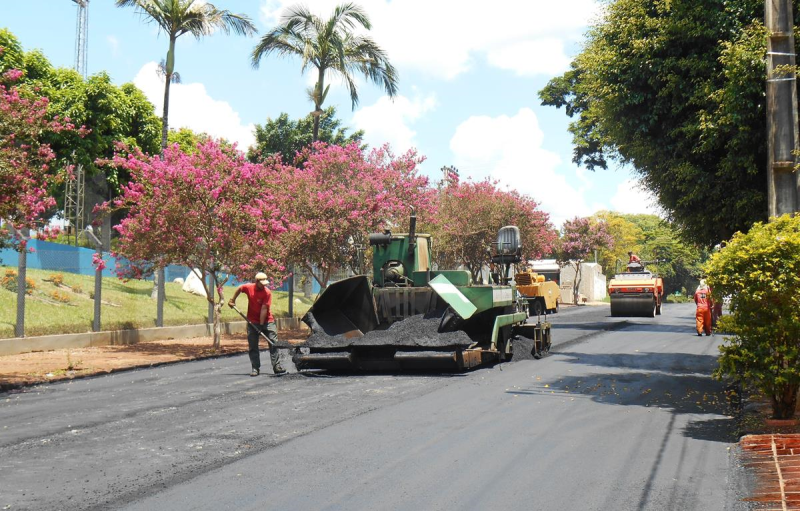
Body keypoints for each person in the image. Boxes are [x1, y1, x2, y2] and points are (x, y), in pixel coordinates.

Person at [228, 272, 285, 376]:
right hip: (252, 320)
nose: (264, 285)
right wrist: (233, 300)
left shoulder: (267, 292)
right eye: (262, 283)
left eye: (265, 283)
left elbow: (264, 309)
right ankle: (255, 368)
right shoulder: (249, 287)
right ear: (256, 281)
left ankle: (277, 366)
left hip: (267, 321)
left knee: (273, 343)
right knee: (253, 345)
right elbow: (239, 289)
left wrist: (261, 325)